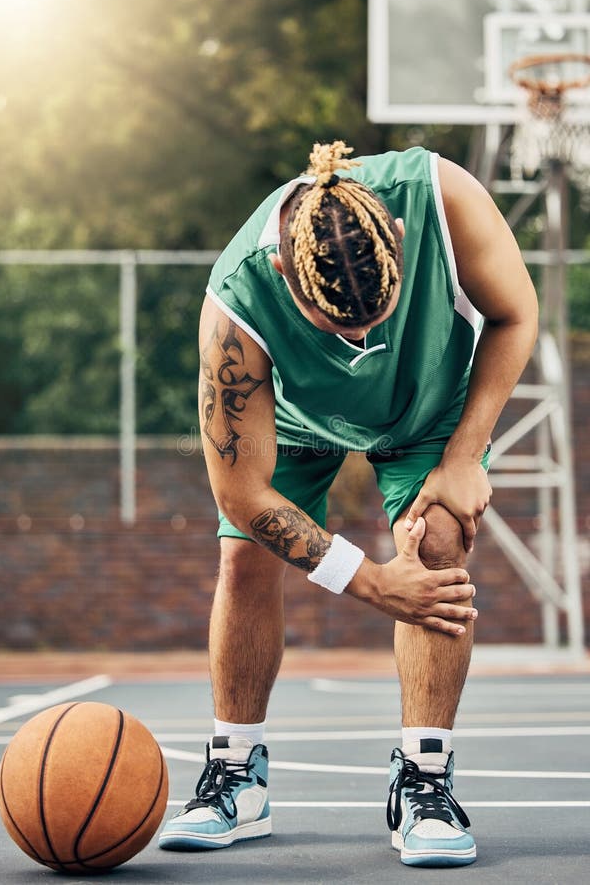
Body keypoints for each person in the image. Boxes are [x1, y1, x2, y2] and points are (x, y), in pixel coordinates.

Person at [158, 141, 538, 867]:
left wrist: (464, 456)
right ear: (281, 275)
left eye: (376, 313)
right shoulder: (238, 301)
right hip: (297, 417)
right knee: (243, 560)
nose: (362, 338)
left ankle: (424, 780)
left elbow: (516, 314)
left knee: (439, 539)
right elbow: (241, 493)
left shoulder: (444, 201)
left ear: (397, 238)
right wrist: (368, 582)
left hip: (429, 401)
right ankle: (237, 774)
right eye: (338, 325)